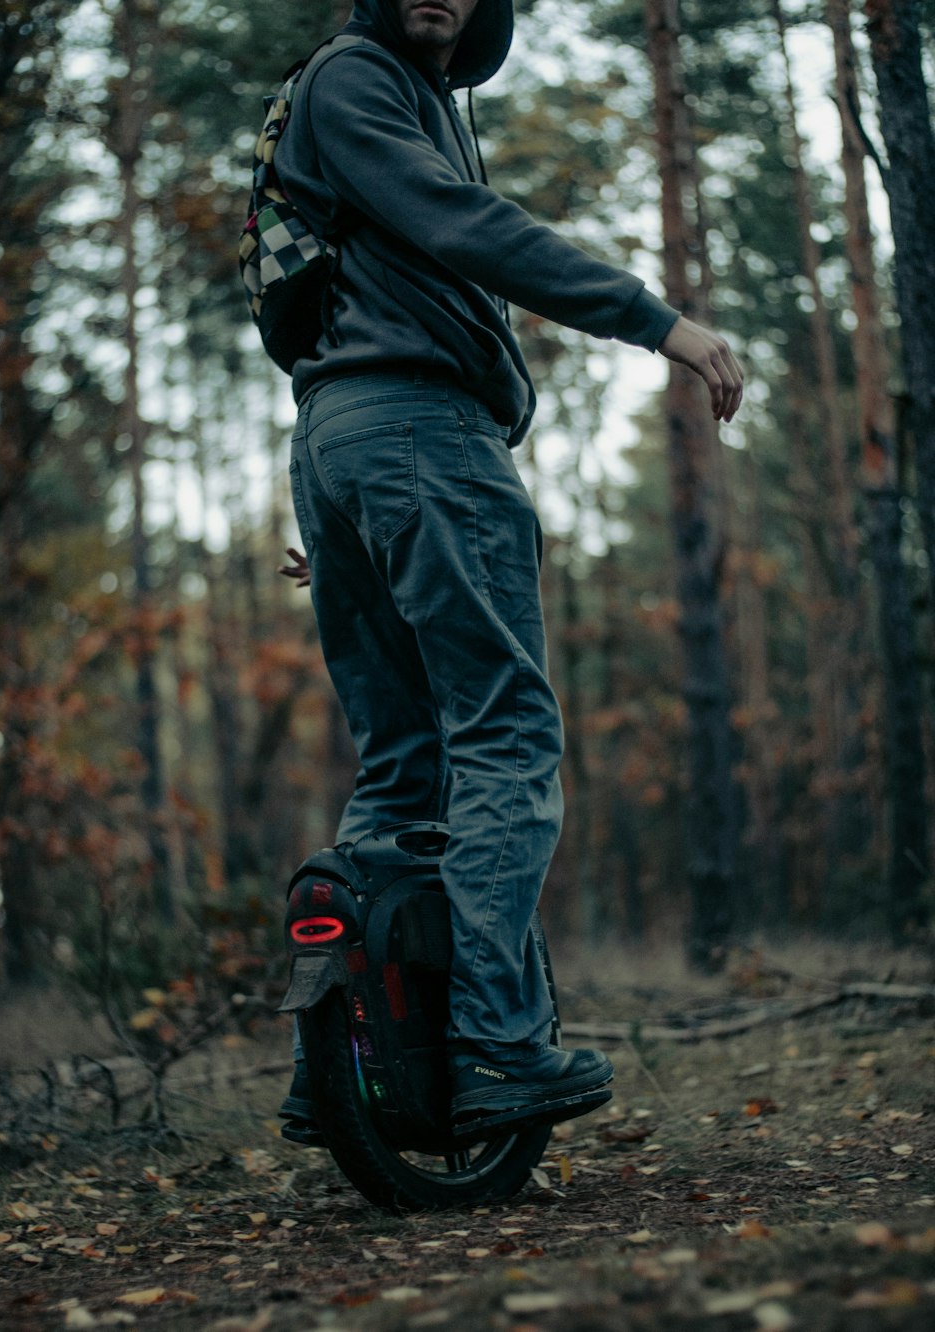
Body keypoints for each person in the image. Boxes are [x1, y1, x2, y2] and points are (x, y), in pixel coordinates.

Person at [273, 0, 743, 1139]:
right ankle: (494, 1045)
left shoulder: (380, 95)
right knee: (504, 736)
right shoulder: (357, 76)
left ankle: (354, 1068)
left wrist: (351, 508)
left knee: (404, 760)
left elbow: (342, 288)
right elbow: (463, 225)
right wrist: (653, 321)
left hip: (354, 447)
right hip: (413, 435)